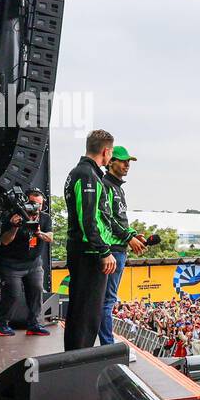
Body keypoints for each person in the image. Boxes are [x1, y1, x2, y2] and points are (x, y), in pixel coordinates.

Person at [62, 129, 117, 350]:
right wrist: (104, 251)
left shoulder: (79, 172)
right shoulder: (87, 175)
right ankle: (78, 360)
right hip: (89, 254)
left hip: (83, 252)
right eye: (111, 153)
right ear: (106, 151)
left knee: (81, 311)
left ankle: (76, 357)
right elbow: (88, 220)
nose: (110, 157)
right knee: (87, 313)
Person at [98, 145, 146, 345]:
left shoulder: (118, 187)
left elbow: (120, 219)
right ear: (111, 163)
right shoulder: (105, 185)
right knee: (106, 301)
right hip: (112, 250)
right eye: (123, 160)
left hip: (119, 249)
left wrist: (134, 234)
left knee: (108, 300)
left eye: (129, 161)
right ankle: (107, 345)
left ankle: (107, 343)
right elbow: (106, 218)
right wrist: (128, 237)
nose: (127, 165)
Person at [0, 188, 52, 337]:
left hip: (34, 263)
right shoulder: (12, 216)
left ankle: (34, 324)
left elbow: (50, 237)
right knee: (13, 293)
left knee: (36, 291)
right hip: (11, 264)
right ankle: (2, 323)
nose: (36, 208)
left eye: (39, 204)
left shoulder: (44, 218)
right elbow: (5, 241)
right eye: (33, 204)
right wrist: (14, 227)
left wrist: (39, 233)